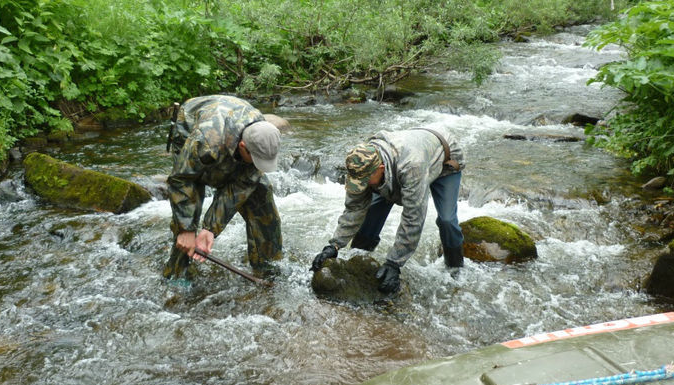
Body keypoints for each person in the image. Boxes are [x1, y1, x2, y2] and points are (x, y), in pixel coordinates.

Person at [311, 126, 465, 293]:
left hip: (444, 161)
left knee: (447, 220)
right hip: (405, 157)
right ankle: (360, 257)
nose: (362, 185)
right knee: (371, 212)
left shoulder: (411, 166)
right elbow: (354, 208)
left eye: (365, 181)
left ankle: (455, 271)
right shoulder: (361, 162)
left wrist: (394, 263)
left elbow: (413, 218)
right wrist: (334, 246)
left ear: (380, 169)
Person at [163, 95, 283, 279]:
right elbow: (181, 180)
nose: (260, 166)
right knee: (188, 208)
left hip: (230, 129)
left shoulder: (264, 135)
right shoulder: (205, 141)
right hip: (191, 125)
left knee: (261, 195)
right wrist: (186, 229)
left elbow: (238, 189)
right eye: (257, 160)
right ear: (243, 146)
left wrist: (210, 228)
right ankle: (176, 276)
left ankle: (267, 269)